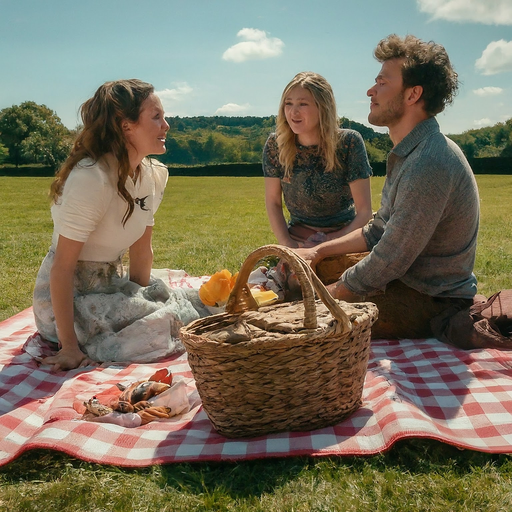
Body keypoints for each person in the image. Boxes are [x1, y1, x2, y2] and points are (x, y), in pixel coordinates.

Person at [295, 34, 480, 340]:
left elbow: (390, 257)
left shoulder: (430, 161)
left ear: (412, 94)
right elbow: (378, 230)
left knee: (305, 314)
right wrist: (317, 251)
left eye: (382, 82)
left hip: (432, 301)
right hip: (406, 281)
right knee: (301, 273)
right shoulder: (411, 152)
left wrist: (332, 294)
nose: (371, 90)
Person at [32, 79, 209, 371]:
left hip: (114, 287)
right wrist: (69, 348)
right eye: (156, 117)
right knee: (163, 326)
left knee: (188, 306)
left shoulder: (153, 176)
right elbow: (62, 269)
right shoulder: (91, 178)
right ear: (125, 125)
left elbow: (142, 251)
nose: (166, 125)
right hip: (70, 302)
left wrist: (139, 299)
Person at [263, 71, 373, 249]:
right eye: (288, 103)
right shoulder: (275, 145)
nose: (293, 111)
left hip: (345, 234)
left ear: (323, 107)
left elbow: (365, 213)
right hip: (298, 235)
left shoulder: (349, 142)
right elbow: (273, 202)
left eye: (303, 104)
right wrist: (288, 245)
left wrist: (328, 242)